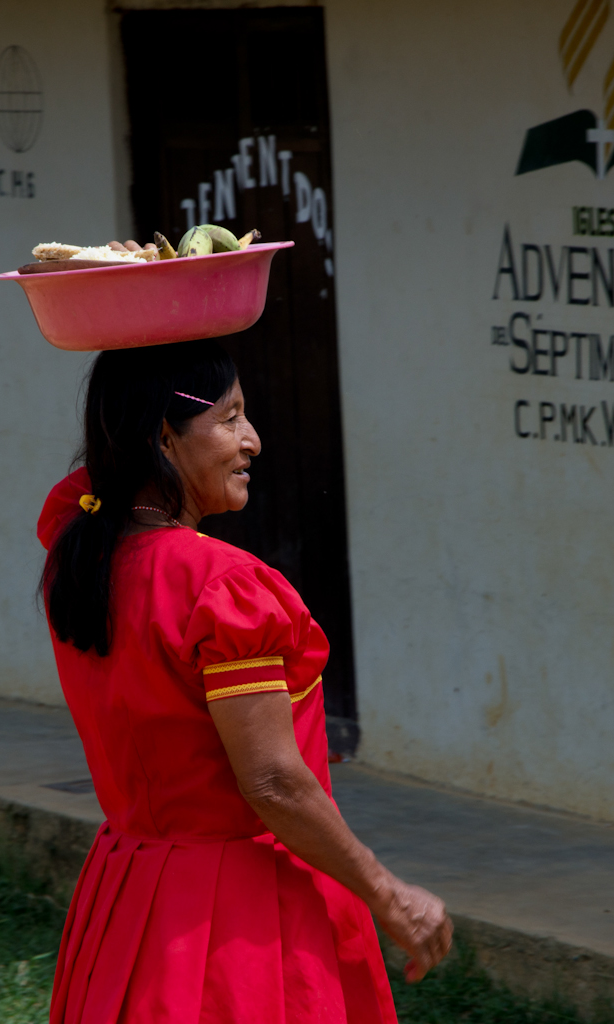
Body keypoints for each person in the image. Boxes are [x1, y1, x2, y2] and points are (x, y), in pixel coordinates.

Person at [37, 340, 453, 1024]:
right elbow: (273, 783)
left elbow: (89, 484)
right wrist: (387, 892)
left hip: (130, 893)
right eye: (229, 418)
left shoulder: (80, 554)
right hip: (236, 916)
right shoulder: (223, 589)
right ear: (162, 438)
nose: (252, 439)